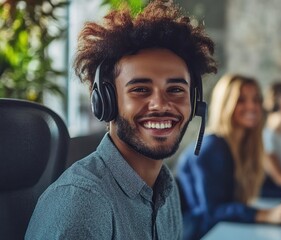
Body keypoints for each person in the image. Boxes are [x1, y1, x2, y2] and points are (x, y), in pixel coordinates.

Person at [25, 1, 216, 239]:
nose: (161, 104)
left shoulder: (167, 190)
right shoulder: (84, 203)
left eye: (176, 89)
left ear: (194, 102)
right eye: (140, 89)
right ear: (106, 101)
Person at [176, 74, 281, 240]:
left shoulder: (244, 145)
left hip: (226, 229)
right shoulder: (210, 148)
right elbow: (212, 210)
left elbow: (259, 185)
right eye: (241, 100)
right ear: (225, 105)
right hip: (201, 233)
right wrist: (267, 214)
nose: (252, 106)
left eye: (256, 100)